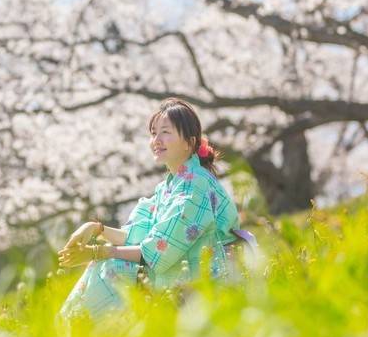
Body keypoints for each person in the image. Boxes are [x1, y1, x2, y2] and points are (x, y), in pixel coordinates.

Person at [57, 97, 241, 319]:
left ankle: (82, 334)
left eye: (165, 132)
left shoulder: (196, 186)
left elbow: (154, 252)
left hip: (211, 285)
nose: (157, 140)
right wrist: (95, 229)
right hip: (181, 282)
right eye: (154, 133)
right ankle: (78, 331)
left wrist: (97, 252)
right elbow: (137, 236)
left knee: (110, 265)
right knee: (106, 264)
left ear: (190, 142)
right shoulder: (169, 187)